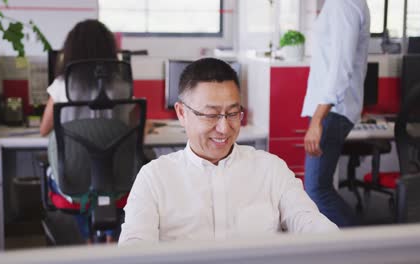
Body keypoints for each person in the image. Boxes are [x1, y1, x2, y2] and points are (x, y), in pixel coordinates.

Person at [118, 58, 338, 245]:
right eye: (211, 115)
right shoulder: (154, 178)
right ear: (182, 113)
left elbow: (308, 221)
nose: (224, 128)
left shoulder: (270, 169)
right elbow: (134, 249)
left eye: (233, 113)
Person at [40, 19, 118, 243]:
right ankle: (111, 240)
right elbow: (132, 130)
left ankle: (86, 242)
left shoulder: (62, 85)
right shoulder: (120, 84)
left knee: (79, 179)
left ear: (71, 51)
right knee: (103, 186)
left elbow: (44, 129)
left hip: (72, 179)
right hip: (114, 179)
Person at [301, 0, 370, 227]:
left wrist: (318, 119)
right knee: (318, 188)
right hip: (331, 109)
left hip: (332, 111)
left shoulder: (344, 4)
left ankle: (363, 249)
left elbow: (341, 67)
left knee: (317, 190)